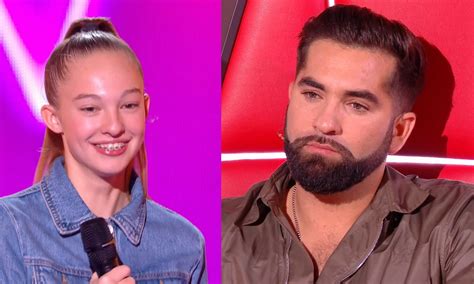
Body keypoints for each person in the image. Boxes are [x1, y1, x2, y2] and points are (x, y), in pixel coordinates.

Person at [222, 5, 474, 283]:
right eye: (313, 94)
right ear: (292, 96)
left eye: (356, 105)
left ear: (399, 131)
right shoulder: (215, 230)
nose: (325, 123)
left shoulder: (458, 222)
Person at [0, 18, 207, 283]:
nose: (114, 126)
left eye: (128, 105)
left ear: (145, 107)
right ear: (54, 118)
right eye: (90, 108)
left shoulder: (184, 246)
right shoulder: (11, 229)